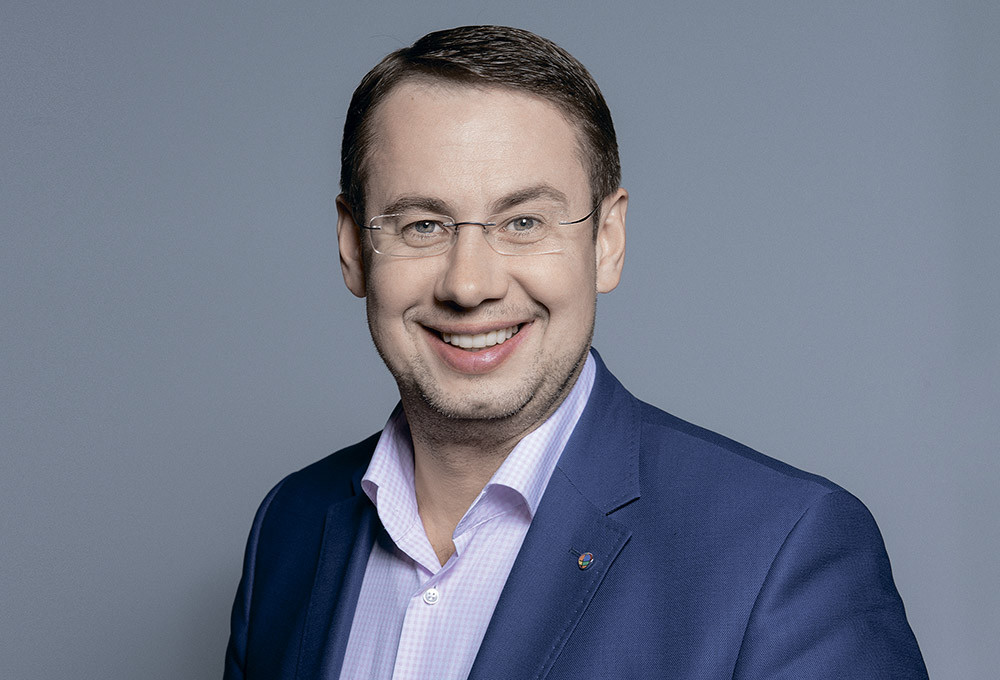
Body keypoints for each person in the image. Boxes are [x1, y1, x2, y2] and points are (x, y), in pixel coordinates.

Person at [224, 25, 927, 679]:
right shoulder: (290, 526)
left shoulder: (781, 551)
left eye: (524, 222)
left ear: (607, 242)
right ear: (353, 247)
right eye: (423, 225)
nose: (469, 285)